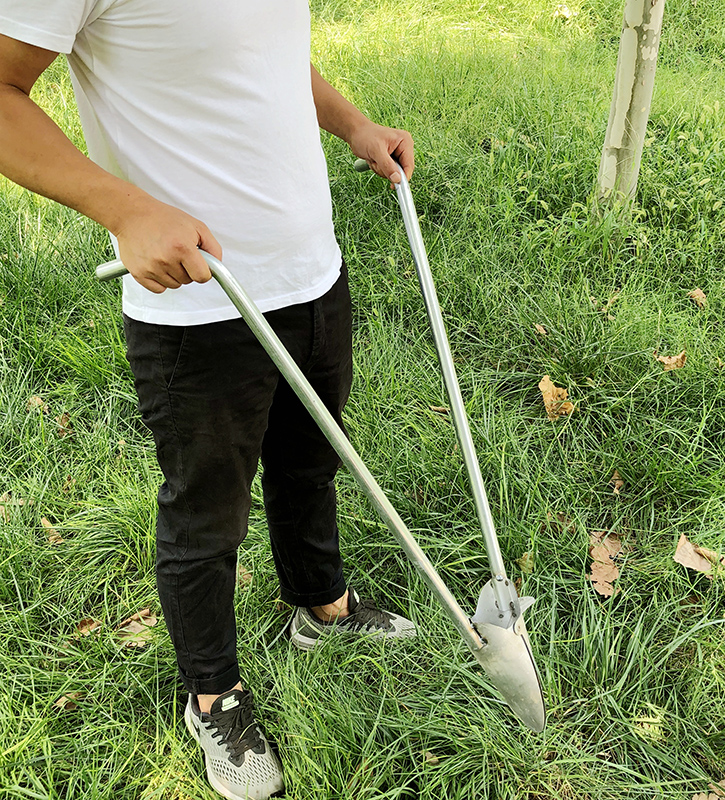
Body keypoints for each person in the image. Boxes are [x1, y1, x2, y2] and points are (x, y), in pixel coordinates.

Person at [0, 2, 417, 797]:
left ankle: (320, 608)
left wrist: (354, 125)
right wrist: (122, 209)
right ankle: (212, 695)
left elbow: (261, 56)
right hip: (201, 302)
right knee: (205, 513)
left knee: (310, 463)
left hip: (311, 268)